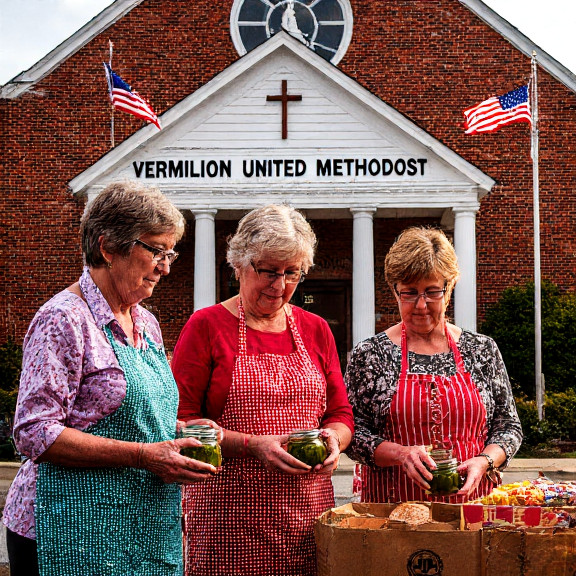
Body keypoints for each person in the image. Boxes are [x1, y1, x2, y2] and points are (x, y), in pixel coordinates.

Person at [3, 181, 220, 576]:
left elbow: (112, 415)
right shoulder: (63, 319)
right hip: (65, 527)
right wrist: (143, 455)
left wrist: (177, 431)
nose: (166, 267)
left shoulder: (146, 322)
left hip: (142, 523)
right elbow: (34, 432)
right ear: (108, 247)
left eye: (170, 253)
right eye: (155, 251)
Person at [171, 204, 354, 576]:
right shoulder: (205, 326)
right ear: (238, 264)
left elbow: (340, 414)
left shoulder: (316, 329)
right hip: (227, 515)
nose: (280, 285)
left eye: (292, 273)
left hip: (308, 510)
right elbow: (178, 420)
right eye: (268, 270)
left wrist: (335, 440)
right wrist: (253, 445)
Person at [345, 226, 522, 503]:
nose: (421, 305)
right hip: (392, 512)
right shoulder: (371, 353)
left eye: (432, 291)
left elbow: (508, 426)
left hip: (474, 507)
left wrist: (486, 461)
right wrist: (401, 454)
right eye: (409, 292)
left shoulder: (481, 350)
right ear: (395, 292)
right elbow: (353, 433)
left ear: (449, 289)